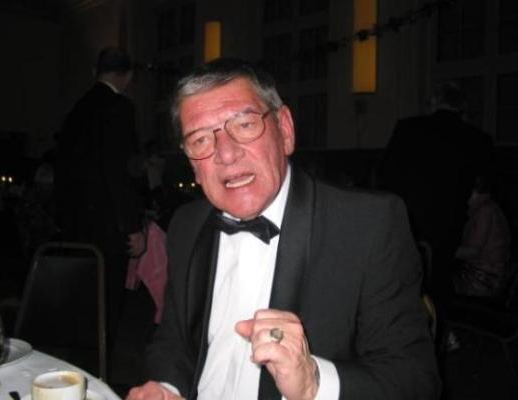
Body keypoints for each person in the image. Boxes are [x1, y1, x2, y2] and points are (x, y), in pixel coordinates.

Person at [127, 58, 440, 400]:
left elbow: (416, 381)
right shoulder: (187, 225)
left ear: (285, 130)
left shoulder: (367, 226)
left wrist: (314, 383)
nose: (226, 154)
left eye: (245, 125)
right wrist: (166, 387)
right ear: (192, 163)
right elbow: (173, 340)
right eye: (200, 139)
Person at [54, 47, 146, 353]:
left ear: (96, 71)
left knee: (81, 301)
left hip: (75, 225)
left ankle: (78, 362)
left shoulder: (78, 109)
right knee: (106, 304)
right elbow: (120, 171)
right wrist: (133, 226)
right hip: (108, 227)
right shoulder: (120, 107)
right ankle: (99, 366)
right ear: (127, 76)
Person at [378, 81, 494, 302]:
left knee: (402, 290)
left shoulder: (407, 128)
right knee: (439, 288)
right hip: (448, 227)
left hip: (407, 224)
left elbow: (385, 177)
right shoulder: (478, 139)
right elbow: (484, 187)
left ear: (434, 102)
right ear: (462, 107)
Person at [453, 174, 511, 298]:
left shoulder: (484, 211)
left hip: (484, 280)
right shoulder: (491, 207)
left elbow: (473, 251)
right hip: (487, 276)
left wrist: (445, 250)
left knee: (439, 286)